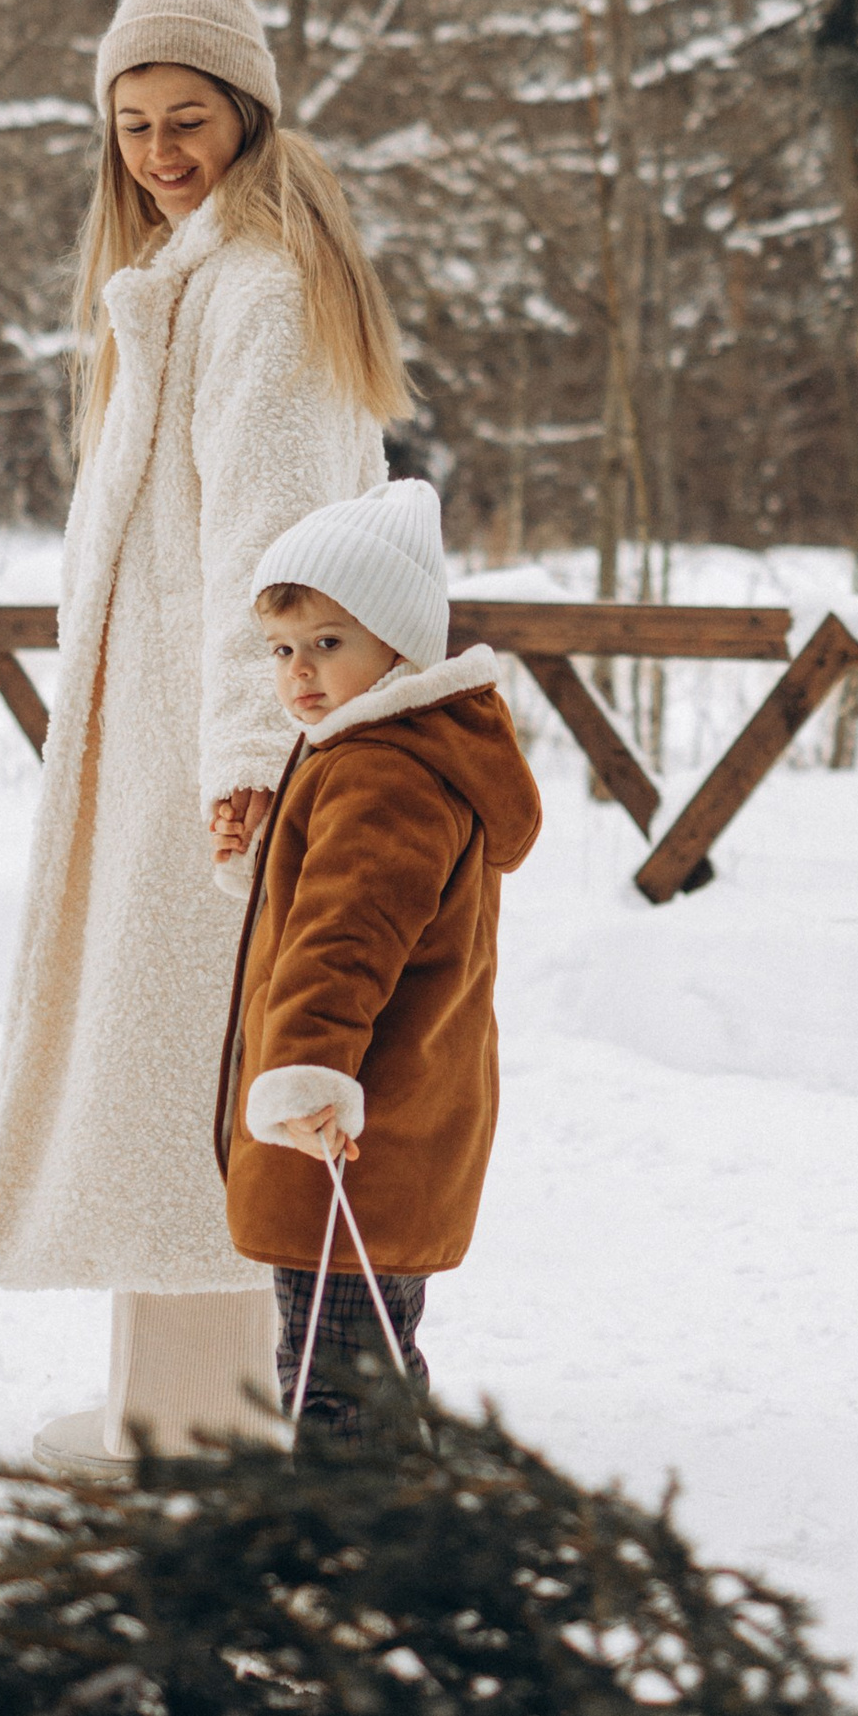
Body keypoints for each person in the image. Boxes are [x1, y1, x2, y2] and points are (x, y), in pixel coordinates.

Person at [0, 0, 408, 1474]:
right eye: (132, 120)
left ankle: (204, 1408)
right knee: (170, 1065)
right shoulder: (182, 288)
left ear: (248, 115)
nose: (158, 151)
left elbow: (272, 564)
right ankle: (177, 1390)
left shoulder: (259, 292)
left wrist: (251, 764)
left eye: (186, 117)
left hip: (217, 763)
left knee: (196, 1068)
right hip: (161, 750)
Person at [211, 478, 540, 1439]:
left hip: (349, 1128)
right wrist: (276, 844)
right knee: (367, 1357)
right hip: (389, 1128)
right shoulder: (386, 749)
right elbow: (348, 892)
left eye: (328, 642)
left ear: (397, 640)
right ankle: (381, 1535)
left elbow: (346, 940)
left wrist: (306, 1067)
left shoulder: (384, 771)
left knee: (336, 1375)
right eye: (282, 648)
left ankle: (351, 1556)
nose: (300, 673)